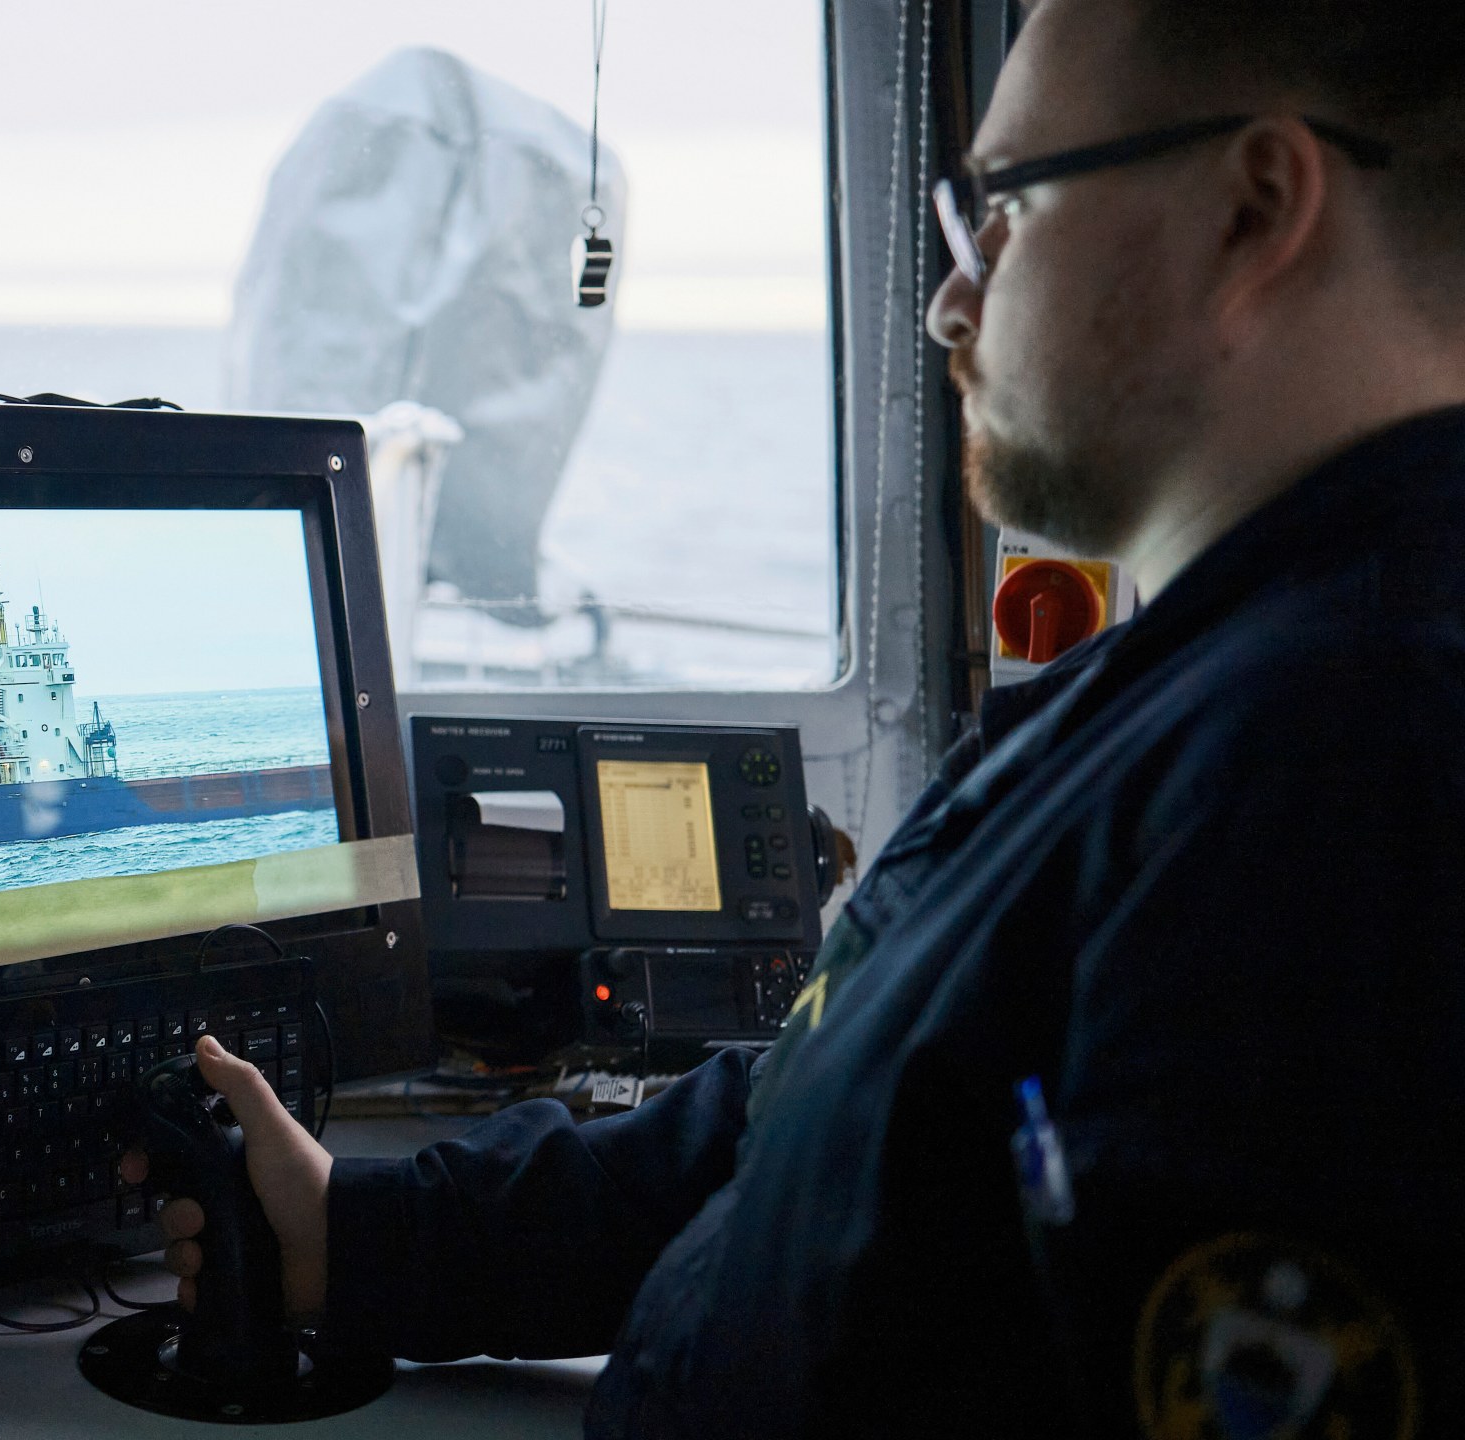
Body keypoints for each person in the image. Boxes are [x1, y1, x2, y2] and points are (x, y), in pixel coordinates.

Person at [127, 1, 1465, 1433]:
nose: (956, 299)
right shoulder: (1189, 699)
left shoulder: (1355, 776)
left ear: (1252, 209)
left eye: (1002, 205)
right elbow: (842, 1118)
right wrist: (365, 1233)